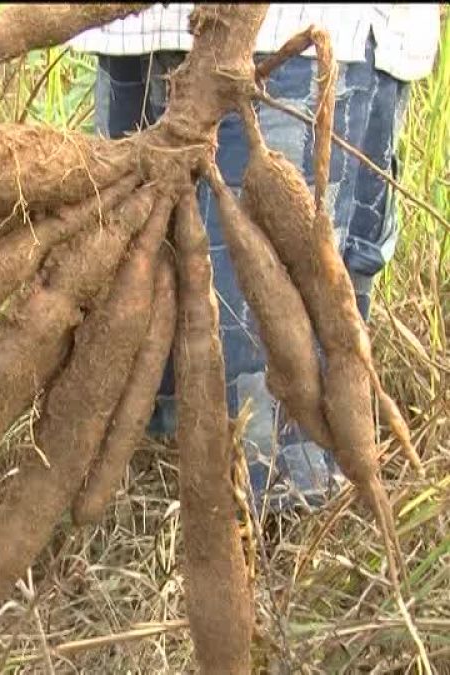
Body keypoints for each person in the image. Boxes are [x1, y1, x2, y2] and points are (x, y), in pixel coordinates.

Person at [68, 4, 441, 513]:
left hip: (290, 34)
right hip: (134, 30)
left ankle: (284, 553)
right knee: (137, 317)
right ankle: (156, 531)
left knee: (272, 444)